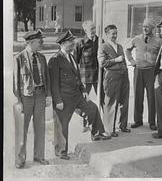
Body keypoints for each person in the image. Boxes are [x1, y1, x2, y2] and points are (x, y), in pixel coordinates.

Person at [48, 30, 110, 160]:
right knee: (62, 125)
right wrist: (57, 100)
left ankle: (96, 133)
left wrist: (84, 91)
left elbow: (77, 76)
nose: (73, 44)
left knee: (92, 108)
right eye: (71, 42)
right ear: (64, 43)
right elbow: (53, 83)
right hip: (63, 98)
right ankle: (61, 152)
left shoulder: (71, 56)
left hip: (77, 96)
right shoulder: (55, 59)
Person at [13, 30, 51, 168]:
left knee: (40, 127)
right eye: (40, 42)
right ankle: (20, 159)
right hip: (26, 97)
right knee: (22, 129)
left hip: (40, 94)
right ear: (31, 42)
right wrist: (18, 100)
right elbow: (16, 82)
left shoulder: (41, 57)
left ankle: (39, 156)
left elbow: (46, 78)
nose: (42, 44)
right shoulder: (19, 58)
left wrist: (48, 95)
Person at [125, 18, 162, 130]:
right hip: (139, 71)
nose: (145, 29)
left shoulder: (158, 41)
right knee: (138, 96)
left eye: (147, 27)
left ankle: (152, 122)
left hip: (151, 71)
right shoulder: (136, 39)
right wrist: (132, 61)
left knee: (152, 97)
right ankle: (138, 120)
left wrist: (158, 67)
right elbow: (127, 50)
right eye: (143, 27)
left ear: (153, 28)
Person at [98, 25, 130, 137]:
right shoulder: (103, 47)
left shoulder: (120, 46)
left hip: (123, 76)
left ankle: (122, 125)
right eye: (113, 34)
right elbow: (102, 63)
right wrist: (116, 60)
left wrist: (125, 69)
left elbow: (124, 61)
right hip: (111, 77)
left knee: (124, 102)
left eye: (116, 33)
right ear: (107, 34)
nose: (115, 36)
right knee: (111, 103)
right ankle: (109, 129)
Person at [75, 20, 100, 132]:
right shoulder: (80, 43)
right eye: (91, 29)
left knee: (102, 99)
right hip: (85, 76)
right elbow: (75, 62)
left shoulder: (100, 41)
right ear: (85, 31)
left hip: (98, 76)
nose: (93, 31)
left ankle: (101, 123)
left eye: (94, 28)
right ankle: (85, 123)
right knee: (85, 101)